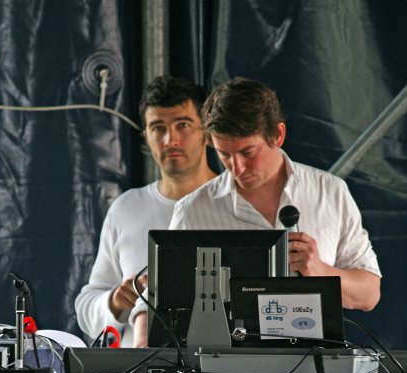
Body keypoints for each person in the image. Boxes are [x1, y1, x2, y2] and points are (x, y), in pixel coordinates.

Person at [132, 76, 381, 347]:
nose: (237, 168)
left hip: (314, 365)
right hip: (223, 367)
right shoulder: (193, 210)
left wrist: (320, 270)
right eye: (224, 155)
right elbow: (160, 296)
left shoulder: (330, 192)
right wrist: (142, 338)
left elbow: (369, 295)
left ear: (278, 135)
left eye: (248, 152)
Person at [75, 75, 216, 346]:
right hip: (139, 369)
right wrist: (114, 301)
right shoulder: (126, 208)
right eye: (158, 127)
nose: (170, 139)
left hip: (219, 366)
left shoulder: (235, 201)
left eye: (183, 125)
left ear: (206, 133)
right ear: (146, 136)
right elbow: (87, 308)